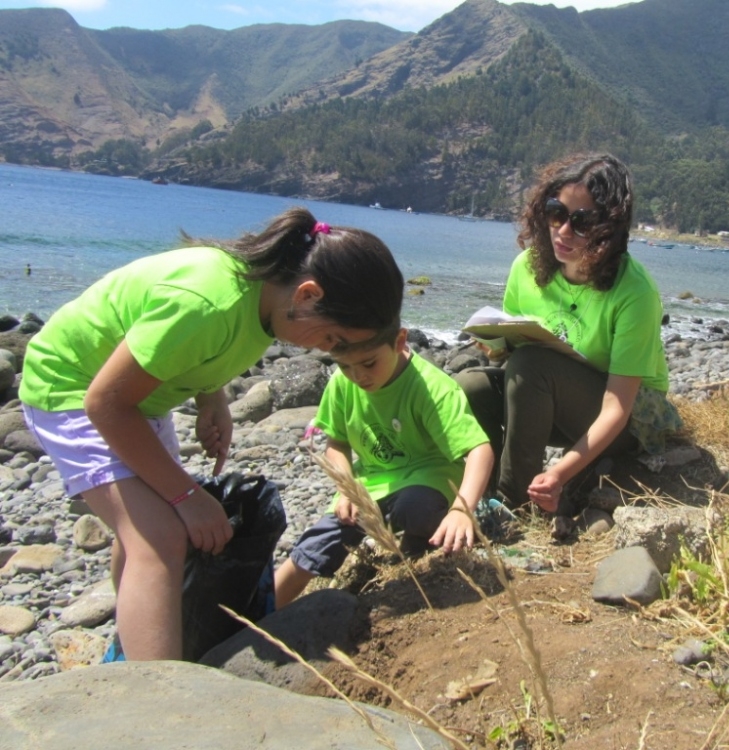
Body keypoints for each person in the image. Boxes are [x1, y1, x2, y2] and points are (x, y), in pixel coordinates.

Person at [18, 208, 404, 661]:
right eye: (334, 338)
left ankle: (128, 650)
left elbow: (196, 350)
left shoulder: (269, 307)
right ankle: (154, 696)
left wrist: (211, 398)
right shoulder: (208, 302)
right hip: (73, 387)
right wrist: (187, 497)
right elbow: (104, 403)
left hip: (137, 400)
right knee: (159, 536)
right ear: (308, 293)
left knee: (141, 530)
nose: (330, 351)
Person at [455, 153, 681, 516]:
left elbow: (618, 407)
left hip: (628, 419)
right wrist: (496, 348)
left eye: (582, 222)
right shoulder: (526, 268)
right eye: (556, 213)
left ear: (609, 227)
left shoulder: (634, 292)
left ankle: (514, 506)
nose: (562, 231)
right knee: (471, 385)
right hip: (552, 400)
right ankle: (485, 496)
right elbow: (516, 358)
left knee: (534, 365)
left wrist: (559, 472)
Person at [273, 322, 493, 608]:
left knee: (415, 507)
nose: (358, 376)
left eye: (368, 363)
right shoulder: (342, 384)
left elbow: (479, 449)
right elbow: (336, 443)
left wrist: (462, 510)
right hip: (369, 486)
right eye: (345, 366)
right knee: (315, 545)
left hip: (429, 477)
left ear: (400, 340)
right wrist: (348, 489)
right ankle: (259, 615)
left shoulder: (430, 386)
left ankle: (443, 533)